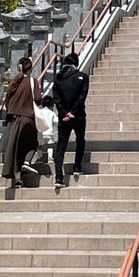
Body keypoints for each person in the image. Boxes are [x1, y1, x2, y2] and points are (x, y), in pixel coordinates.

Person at [1, 55, 42, 192]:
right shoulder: (33, 82)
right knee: (32, 144)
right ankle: (26, 162)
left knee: (15, 148)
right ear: (30, 68)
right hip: (28, 118)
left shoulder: (14, 83)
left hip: (14, 120)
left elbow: (7, 102)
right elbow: (38, 99)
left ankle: (17, 179)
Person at [50, 50, 89, 192]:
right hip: (78, 116)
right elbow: (82, 97)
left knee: (61, 146)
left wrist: (64, 113)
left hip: (63, 117)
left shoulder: (58, 79)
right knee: (80, 140)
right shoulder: (83, 77)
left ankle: (59, 177)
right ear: (76, 64)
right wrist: (73, 112)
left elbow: (56, 98)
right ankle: (77, 166)